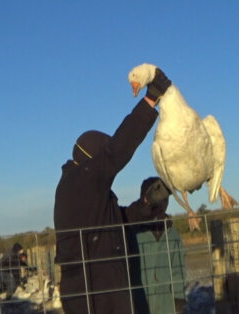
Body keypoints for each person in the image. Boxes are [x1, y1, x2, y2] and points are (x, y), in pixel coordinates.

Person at [53, 67, 172, 314]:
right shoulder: (81, 181)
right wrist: (150, 100)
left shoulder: (83, 190)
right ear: (92, 157)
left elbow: (117, 221)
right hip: (95, 292)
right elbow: (116, 150)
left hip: (95, 287)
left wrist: (147, 204)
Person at [126, 177, 187, 314]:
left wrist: (179, 299)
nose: (162, 205)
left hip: (166, 305)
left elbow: (178, 269)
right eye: (157, 200)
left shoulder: (172, 234)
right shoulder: (134, 232)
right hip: (140, 303)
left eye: (165, 200)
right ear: (145, 201)